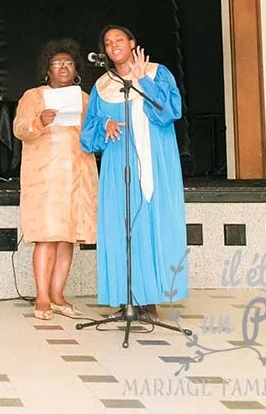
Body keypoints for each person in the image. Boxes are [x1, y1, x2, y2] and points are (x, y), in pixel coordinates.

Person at [80, 25, 188, 321]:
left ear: (132, 43)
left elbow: (169, 112)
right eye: (107, 42)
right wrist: (104, 125)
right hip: (118, 164)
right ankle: (125, 298)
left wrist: (143, 81)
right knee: (121, 227)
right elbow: (87, 135)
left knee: (150, 224)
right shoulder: (103, 85)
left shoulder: (155, 72)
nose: (113, 45)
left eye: (119, 40)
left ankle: (150, 299)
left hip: (155, 159)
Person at [13, 39, 98, 321]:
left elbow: (94, 134)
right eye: (57, 64)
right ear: (47, 70)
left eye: (69, 63)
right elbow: (19, 129)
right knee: (47, 237)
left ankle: (58, 294)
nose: (63, 67)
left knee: (67, 239)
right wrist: (40, 121)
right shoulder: (34, 96)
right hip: (46, 177)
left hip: (77, 175)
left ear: (76, 71)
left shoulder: (85, 99)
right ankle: (42, 297)